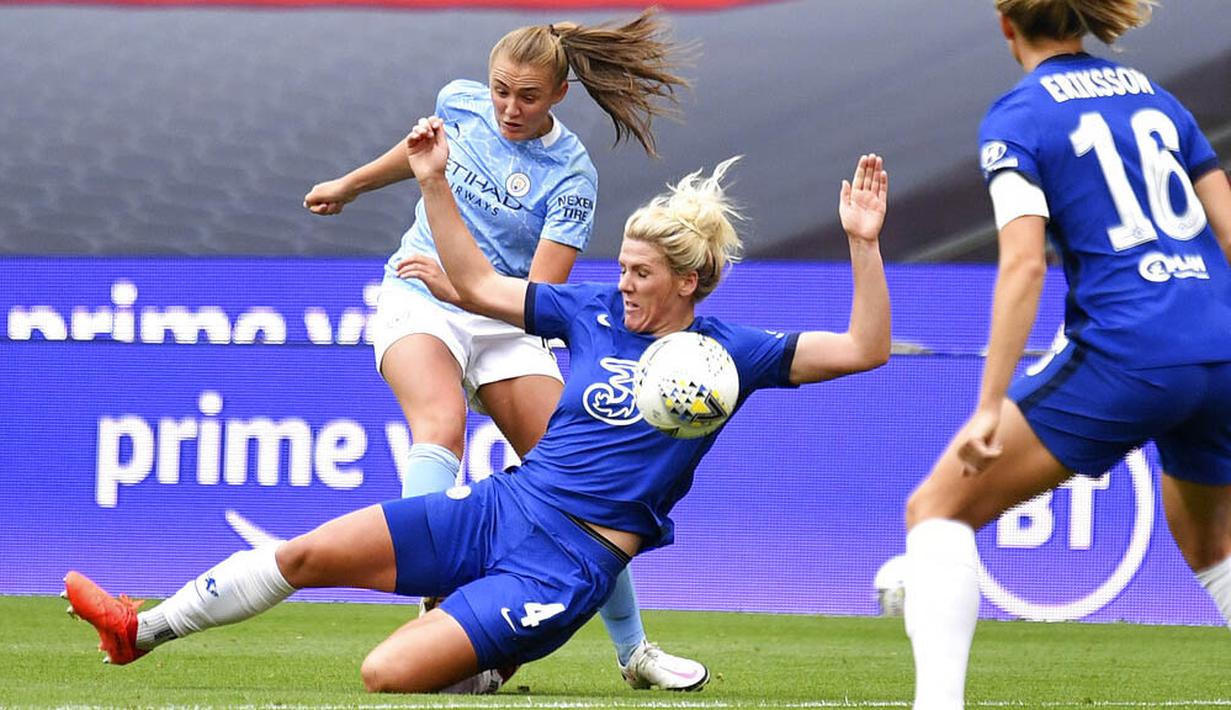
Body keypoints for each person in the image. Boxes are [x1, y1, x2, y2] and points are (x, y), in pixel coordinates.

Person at [63, 127, 891, 694]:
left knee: (385, 674)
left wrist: (862, 241)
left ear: (688, 281)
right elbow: (482, 285)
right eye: (623, 267)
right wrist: (433, 184)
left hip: (566, 564)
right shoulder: (593, 311)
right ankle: (138, 631)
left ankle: (496, 663)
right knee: (306, 553)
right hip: (502, 506)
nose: (624, 283)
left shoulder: (732, 354)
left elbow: (864, 348)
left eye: (641, 273)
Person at [301, 9, 705, 688]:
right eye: (500, 91)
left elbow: (538, 296)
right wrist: (350, 184)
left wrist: (463, 288)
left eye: (528, 97)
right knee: (440, 426)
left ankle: (633, 652)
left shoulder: (570, 175)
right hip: (419, 294)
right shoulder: (459, 104)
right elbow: (418, 154)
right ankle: (433, 612)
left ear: (559, 95)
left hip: (504, 318)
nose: (509, 109)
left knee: (583, 482)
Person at [901, 2, 1231, 708]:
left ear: (1006, 24)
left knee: (937, 509)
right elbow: (1228, 228)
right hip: (1219, 341)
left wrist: (989, 405)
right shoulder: (1156, 97)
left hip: (1130, 350)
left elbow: (1024, 266)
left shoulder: (1018, 116)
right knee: (1215, 549)